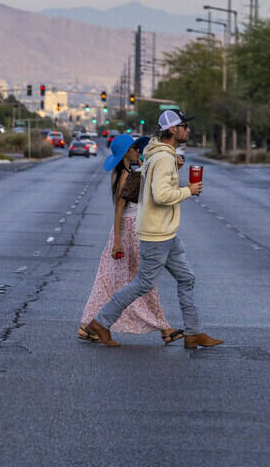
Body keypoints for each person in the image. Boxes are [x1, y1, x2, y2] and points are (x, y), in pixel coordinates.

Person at [84, 110, 223, 349]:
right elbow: (161, 196)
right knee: (143, 284)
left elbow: (151, 187)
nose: (187, 130)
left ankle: (193, 333)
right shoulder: (162, 158)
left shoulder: (159, 155)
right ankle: (100, 323)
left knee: (186, 278)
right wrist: (188, 190)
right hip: (157, 234)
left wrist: (176, 173)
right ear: (172, 130)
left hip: (167, 233)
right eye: (183, 126)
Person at [77, 134, 184, 345]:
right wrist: (117, 241)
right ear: (126, 152)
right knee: (141, 282)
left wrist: (173, 166)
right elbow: (119, 210)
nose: (138, 151)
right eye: (135, 148)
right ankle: (164, 328)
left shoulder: (130, 172)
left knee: (115, 282)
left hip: (133, 229)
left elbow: (153, 186)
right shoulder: (124, 176)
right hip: (129, 231)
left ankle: (90, 326)